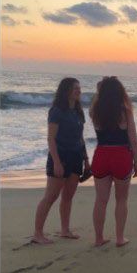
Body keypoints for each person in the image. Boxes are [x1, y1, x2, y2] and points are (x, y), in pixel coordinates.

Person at [30, 77, 88, 244]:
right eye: (75, 88)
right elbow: (51, 138)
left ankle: (65, 230)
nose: (78, 91)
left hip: (76, 156)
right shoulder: (57, 111)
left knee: (68, 196)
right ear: (66, 90)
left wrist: (86, 159)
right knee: (51, 196)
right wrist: (56, 162)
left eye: (79, 88)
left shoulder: (78, 111)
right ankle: (38, 234)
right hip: (60, 156)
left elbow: (80, 138)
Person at [89, 76, 137, 248]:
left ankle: (98, 238)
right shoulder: (125, 112)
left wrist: (99, 92)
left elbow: (97, 99)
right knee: (121, 199)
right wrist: (136, 162)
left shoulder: (95, 111)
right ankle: (119, 238)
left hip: (101, 154)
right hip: (121, 155)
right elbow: (133, 140)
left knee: (100, 200)